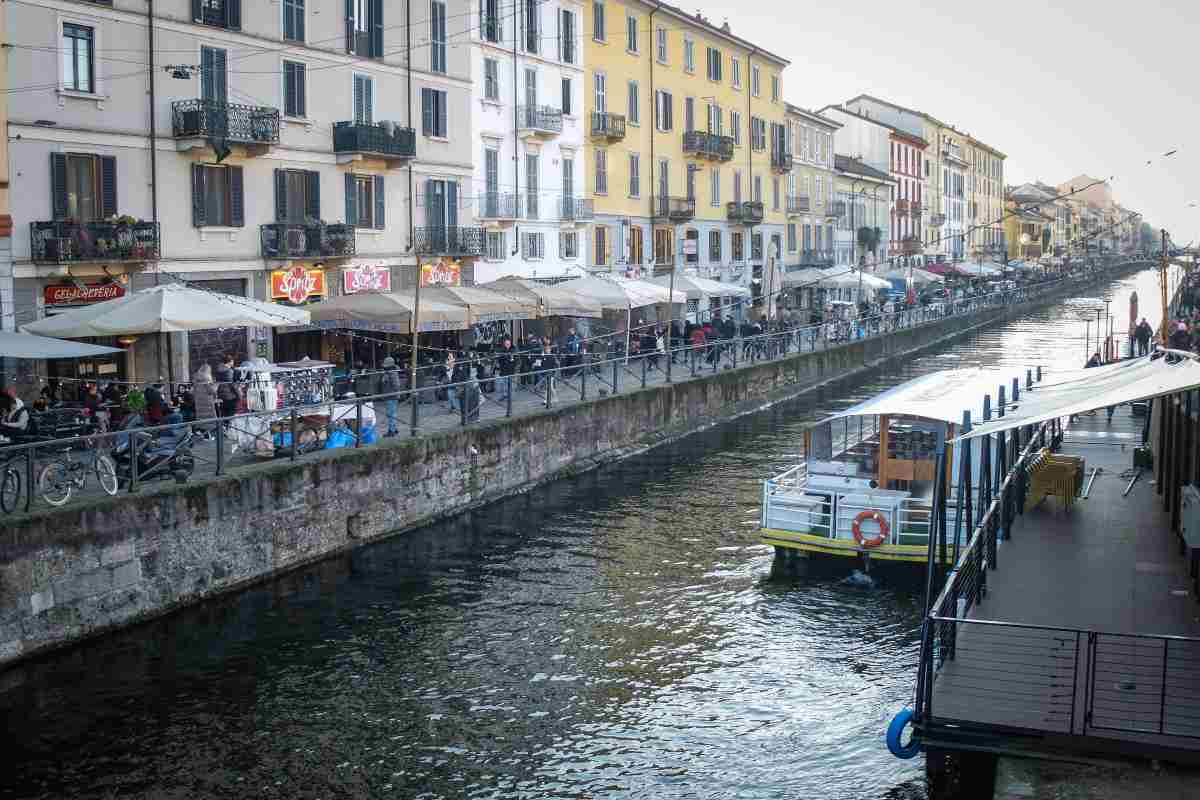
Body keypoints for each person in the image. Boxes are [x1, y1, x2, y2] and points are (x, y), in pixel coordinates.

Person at [192, 364, 219, 436]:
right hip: (207, 403)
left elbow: (192, 392)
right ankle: (207, 436)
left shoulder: (196, 379)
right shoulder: (207, 378)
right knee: (208, 420)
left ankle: (203, 434)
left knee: (202, 419)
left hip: (199, 403)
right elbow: (211, 391)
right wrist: (216, 386)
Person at [379, 356, 402, 437]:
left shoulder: (392, 373)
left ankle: (391, 431)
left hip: (391, 396)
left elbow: (397, 385)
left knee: (391, 414)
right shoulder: (390, 372)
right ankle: (394, 429)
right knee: (392, 413)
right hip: (391, 396)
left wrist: (386, 380)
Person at [215, 353, 239, 419]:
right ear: (230, 361)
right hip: (229, 396)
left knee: (224, 414)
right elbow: (232, 385)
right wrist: (239, 395)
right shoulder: (229, 371)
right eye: (232, 361)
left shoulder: (218, 370)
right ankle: (228, 427)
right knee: (230, 415)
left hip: (221, 394)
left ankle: (225, 427)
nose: (233, 362)